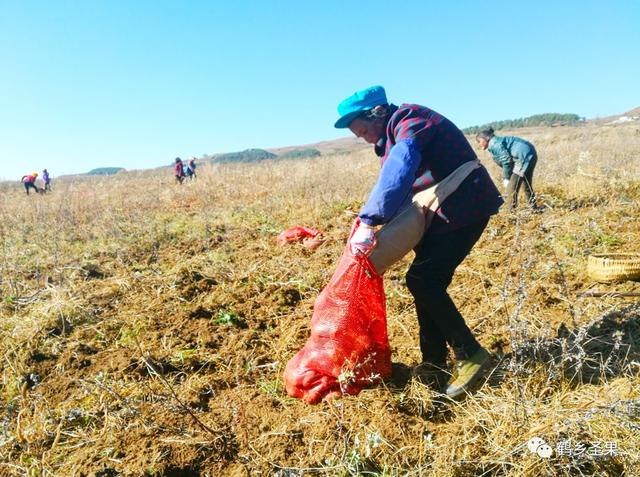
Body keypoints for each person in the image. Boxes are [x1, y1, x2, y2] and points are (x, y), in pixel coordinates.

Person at [335, 85, 503, 399]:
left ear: (378, 113)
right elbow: (396, 187)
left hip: (463, 208)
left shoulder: (409, 120)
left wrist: (371, 219)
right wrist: (369, 226)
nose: (361, 136)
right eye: (357, 133)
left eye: (363, 128)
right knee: (426, 284)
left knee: (423, 281)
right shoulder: (388, 139)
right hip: (440, 216)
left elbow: (403, 164)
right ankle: (434, 362)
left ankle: (471, 354)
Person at [475, 128, 539, 211]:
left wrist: (506, 178)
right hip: (529, 153)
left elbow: (506, 161)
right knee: (526, 183)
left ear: (486, 138)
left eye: (479, 141)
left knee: (511, 188)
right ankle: (534, 208)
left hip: (523, 157)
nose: (479, 144)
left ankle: (511, 212)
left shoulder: (494, 143)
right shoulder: (496, 142)